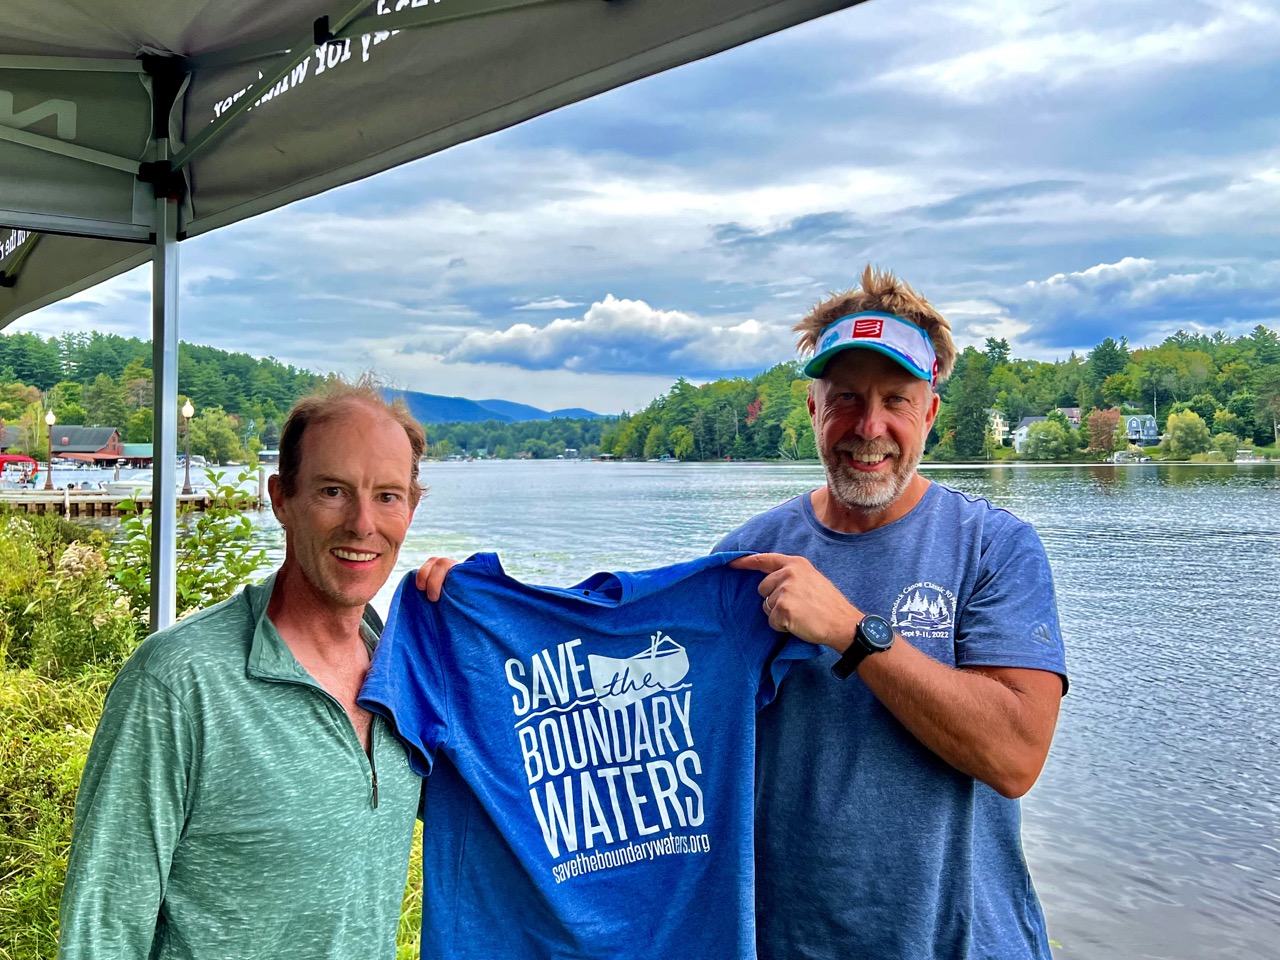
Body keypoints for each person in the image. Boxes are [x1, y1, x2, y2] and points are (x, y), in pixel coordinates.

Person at [718, 265, 1068, 960]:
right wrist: (456, 609)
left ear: (930, 413)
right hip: (788, 940)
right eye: (846, 397)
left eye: (896, 401)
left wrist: (853, 633)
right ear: (814, 409)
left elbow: (1014, 755)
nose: (869, 428)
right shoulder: (746, 558)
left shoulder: (994, 548)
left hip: (962, 942)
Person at [58, 380, 427, 960]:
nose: (362, 524)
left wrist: (475, 614)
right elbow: (102, 931)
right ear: (281, 499)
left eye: (387, 496)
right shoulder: (179, 683)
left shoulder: (412, 672)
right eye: (333, 490)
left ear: (412, 507)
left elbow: (516, 810)